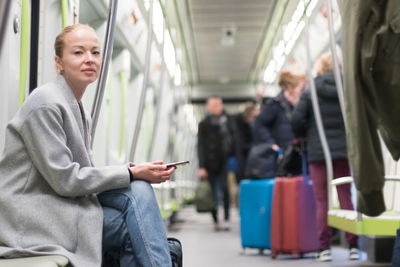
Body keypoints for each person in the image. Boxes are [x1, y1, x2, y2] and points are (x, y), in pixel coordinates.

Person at [0, 24, 175, 267]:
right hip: (33, 217)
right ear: (58, 62)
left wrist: (134, 174)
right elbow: (66, 180)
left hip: (61, 206)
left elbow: (80, 179)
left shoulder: (77, 107)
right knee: (132, 227)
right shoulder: (46, 103)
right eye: (78, 52)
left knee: (140, 190)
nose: (89, 59)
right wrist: (129, 172)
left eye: (95, 52)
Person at [291, 52, 359, 262]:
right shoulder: (347, 88)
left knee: (322, 201)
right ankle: (353, 245)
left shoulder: (310, 90)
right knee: (345, 196)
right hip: (342, 150)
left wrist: (303, 134)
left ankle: (324, 248)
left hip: (319, 152)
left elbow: (296, 120)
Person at [251, 70, 305, 177]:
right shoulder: (274, 105)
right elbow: (259, 124)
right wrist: (272, 143)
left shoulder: (295, 106)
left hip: (293, 155)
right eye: (301, 89)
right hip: (282, 157)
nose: (303, 92)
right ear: (291, 89)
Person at [197, 96, 234, 231]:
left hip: (224, 160)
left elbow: (233, 139)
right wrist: (201, 166)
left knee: (225, 189)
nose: (217, 107)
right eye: (213, 105)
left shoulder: (228, 121)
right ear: (208, 107)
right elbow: (200, 146)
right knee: (211, 191)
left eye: (218, 104)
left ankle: (226, 217)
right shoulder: (203, 124)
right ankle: (215, 218)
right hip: (209, 163)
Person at [233, 101, 258, 182]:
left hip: (250, 159)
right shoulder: (239, 126)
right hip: (243, 161)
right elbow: (241, 145)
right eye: (253, 116)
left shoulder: (251, 125)